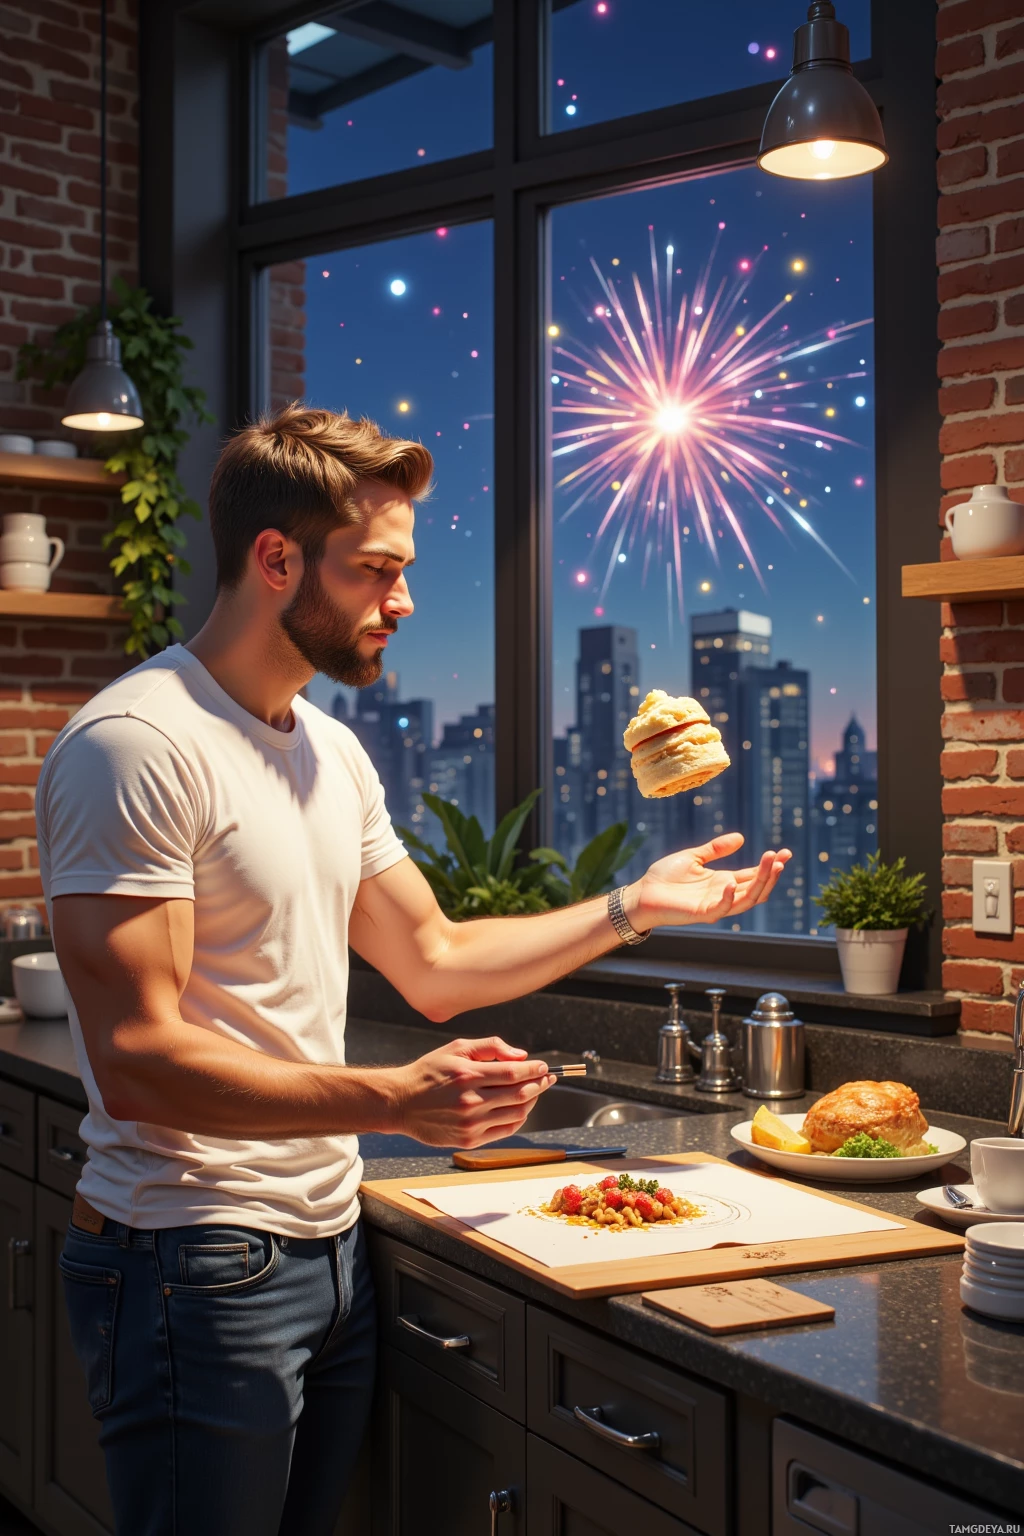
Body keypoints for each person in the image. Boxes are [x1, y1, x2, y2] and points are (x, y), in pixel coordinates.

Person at [38, 404, 790, 1536]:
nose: (402, 601)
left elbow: (434, 961)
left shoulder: (329, 752)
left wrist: (633, 907)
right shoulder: (136, 744)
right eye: (376, 571)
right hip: (189, 1258)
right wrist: (397, 1099)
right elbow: (140, 1060)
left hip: (327, 1248)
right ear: (276, 558)